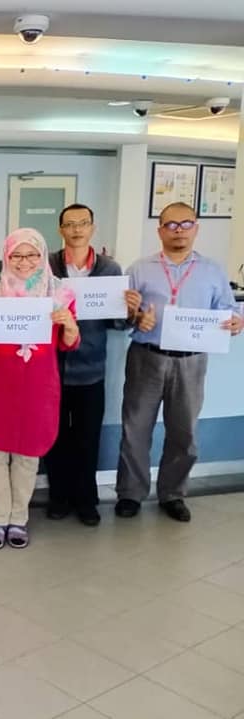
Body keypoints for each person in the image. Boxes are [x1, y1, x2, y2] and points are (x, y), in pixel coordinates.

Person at [115, 201, 242, 522]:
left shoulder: (213, 270)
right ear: (160, 231)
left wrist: (236, 321)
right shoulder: (139, 269)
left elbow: (230, 310)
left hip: (191, 362)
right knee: (135, 429)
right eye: (171, 225)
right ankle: (130, 493)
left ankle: (172, 494)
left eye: (186, 224)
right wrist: (135, 317)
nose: (179, 231)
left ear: (196, 228)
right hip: (146, 357)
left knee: (184, 432)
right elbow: (122, 314)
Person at [0, 228, 80, 549]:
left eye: (32, 255)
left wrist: (69, 325)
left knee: (28, 455)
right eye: (16, 255)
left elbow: (69, 344)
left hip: (38, 387)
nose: (24, 262)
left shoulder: (61, 294)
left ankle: (18, 519)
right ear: (6, 257)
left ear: (43, 256)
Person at [45, 203, 145, 526]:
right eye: (70, 224)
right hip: (51, 370)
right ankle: (59, 497)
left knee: (88, 440)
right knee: (55, 439)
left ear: (92, 228)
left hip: (91, 371)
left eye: (83, 223)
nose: (76, 229)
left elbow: (117, 324)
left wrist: (129, 311)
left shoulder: (110, 269)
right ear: (60, 230)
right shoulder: (46, 266)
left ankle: (86, 500)